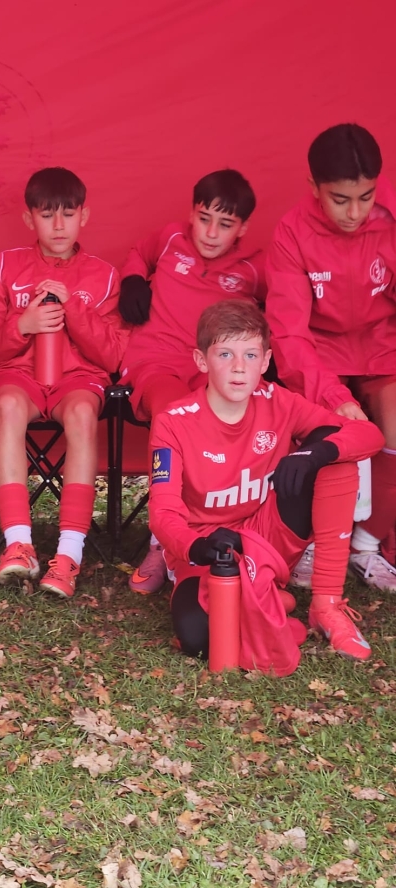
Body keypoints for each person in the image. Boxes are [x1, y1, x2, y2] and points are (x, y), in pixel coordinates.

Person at [149, 301, 383, 670]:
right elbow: (163, 513)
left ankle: (326, 605)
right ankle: (268, 598)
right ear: (201, 361)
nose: (239, 367)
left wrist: (315, 453)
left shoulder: (277, 401)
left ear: (265, 361)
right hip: (210, 548)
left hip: (267, 537)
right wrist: (197, 546)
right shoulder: (173, 422)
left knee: (335, 453)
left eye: (250, 354)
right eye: (225, 354)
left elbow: (368, 435)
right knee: (198, 638)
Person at [0, 166, 129, 599]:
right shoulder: (5, 265)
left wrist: (74, 310)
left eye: (68, 214)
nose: (58, 226)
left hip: (77, 378)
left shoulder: (103, 275)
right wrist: (22, 325)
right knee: (7, 407)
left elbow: (113, 356)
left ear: (84, 216)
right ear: (29, 219)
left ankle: (69, 554)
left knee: (82, 414)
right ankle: (19, 543)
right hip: (18, 374)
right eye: (46, 215)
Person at [118, 168, 265, 594]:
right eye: (204, 219)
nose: (211, 233)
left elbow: (287, 302)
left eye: (225, 224)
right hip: (157, 361)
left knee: (244, 414)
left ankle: (229, 539)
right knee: (175, 416)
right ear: (192, 213)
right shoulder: (169, 238)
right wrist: (132, 278)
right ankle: (162, 542)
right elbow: (138, 253)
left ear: (243, 228)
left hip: (214, 369)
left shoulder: (255, 268)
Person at [266, 123, 396, 593]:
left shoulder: (390, 217)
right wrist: (334, 396)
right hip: (319, 354)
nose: (355, 212)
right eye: (341, 200)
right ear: (314, 187)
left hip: (382, 346)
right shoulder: (292, 232)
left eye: (365, 197)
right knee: (328, 436)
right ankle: (314, 544)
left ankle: (366, 545)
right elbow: (289, 332)